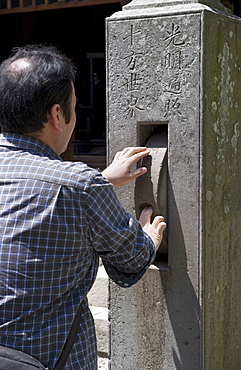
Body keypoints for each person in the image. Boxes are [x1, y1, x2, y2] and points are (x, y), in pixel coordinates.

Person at [0, 44, 166, 370]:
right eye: (74, 108)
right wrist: (148, 236)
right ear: (57, 115)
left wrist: (101, 180)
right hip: (49, 359)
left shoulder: (80, 186)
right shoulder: (80, 185)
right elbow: (129, 262)